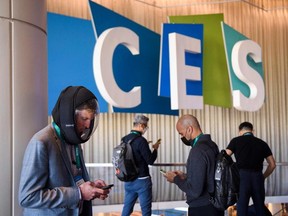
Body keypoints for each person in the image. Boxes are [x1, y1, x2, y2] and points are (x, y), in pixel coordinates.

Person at [19, 86, 111, 216]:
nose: (88, 126)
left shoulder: (73, 141)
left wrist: (90, 187)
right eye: (84, 119)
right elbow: (28, 197)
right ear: (69, 116)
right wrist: (78, 193)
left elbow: (72, 180)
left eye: (91, 120)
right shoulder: (41, 142)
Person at [164, 114, 224, 216]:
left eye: (181, 134)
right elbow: (208, 175)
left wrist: (175, 179)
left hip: (202, 208)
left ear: (189, 129)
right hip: (214, 205)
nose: (182, 137)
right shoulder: (212, 145)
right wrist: (186, 176)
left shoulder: (198, 151)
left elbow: (195, 191)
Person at [226, 121, 276, 216]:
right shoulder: (262, 143)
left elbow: (224, 158)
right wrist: (263, 177)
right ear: (253, 131)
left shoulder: (236, 141)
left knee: (242, 209)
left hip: (242, 178)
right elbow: (272, 164)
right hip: (257, 177)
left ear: (240, 131)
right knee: (260, 209)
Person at [121, 114, 161, 216]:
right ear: (141, 126)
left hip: (128, 180)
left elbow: (130, 154)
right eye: (146, 126)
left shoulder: (124, 139)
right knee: (146, 210)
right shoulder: (141, 140)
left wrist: (144, 145)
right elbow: (150, 160)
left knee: (126, 209)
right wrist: (155, 148)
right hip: (142, 181)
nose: (145, 129)